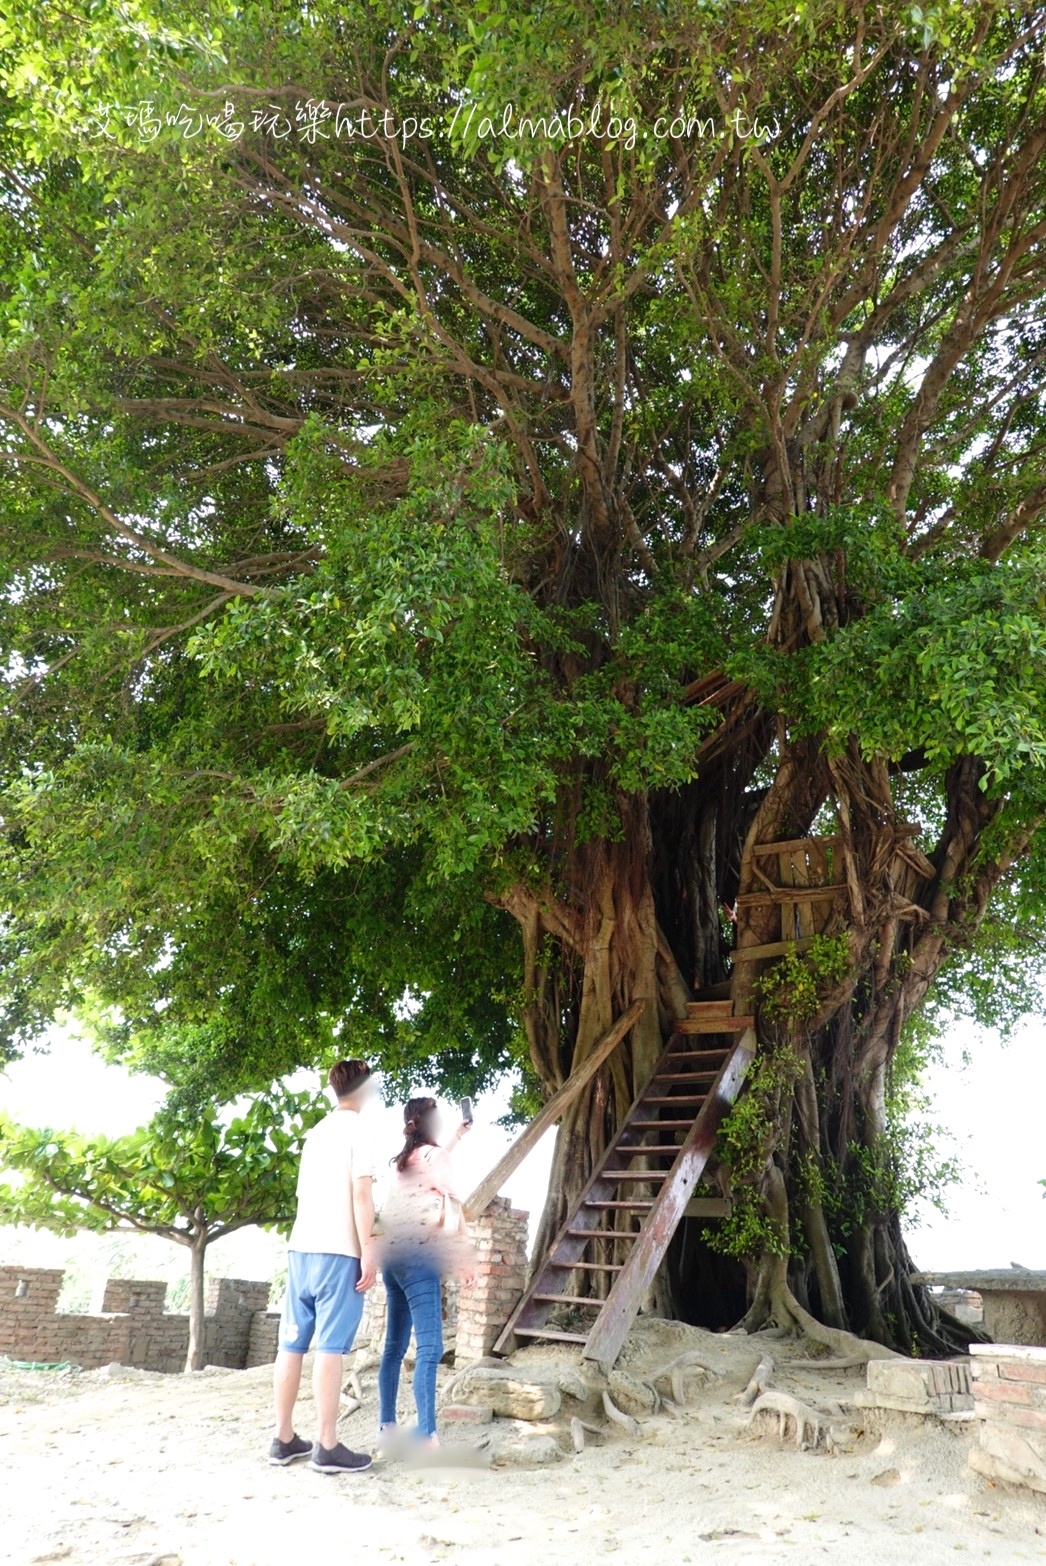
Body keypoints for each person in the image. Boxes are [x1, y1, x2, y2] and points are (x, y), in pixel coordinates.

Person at [270, 1058, 380, 1475]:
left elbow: (305, 1196)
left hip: (301, 1250)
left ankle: (282, 1438)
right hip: (339, 1253)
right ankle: (327, 1445)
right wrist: (369, 1250)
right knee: (331, 1347)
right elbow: (361, 1197)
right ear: (365, 1089)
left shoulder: (315, 1134)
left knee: (292, 1345)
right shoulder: (361, 1131)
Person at [375, 1097, 475, 1450]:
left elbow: (433, 1164)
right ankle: (426, 1434)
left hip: (393, 1258)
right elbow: (452, 1204)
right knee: (431, 1347)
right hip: (419, 1258)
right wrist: (465, 1260)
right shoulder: (436, 1158)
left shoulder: (404, 1163)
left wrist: (456, 1137)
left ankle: (386, 1429)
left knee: (394, 1348)